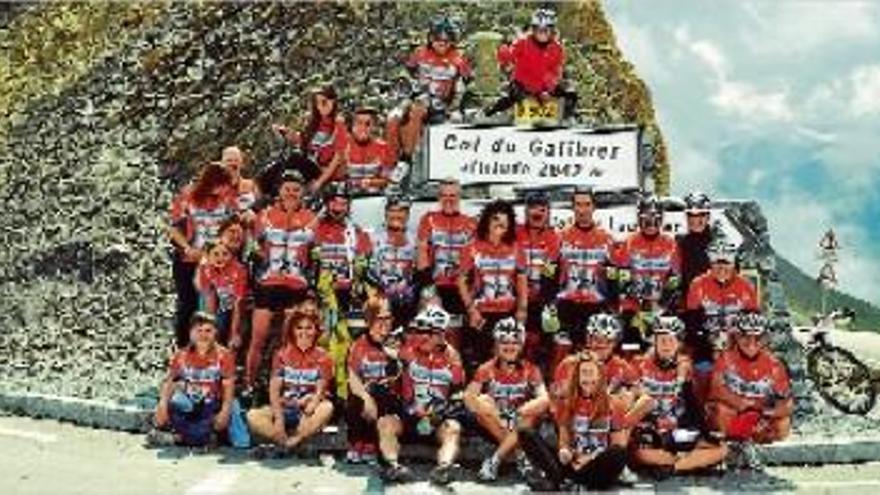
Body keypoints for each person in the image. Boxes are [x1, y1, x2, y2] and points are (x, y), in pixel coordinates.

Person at [244, 169, 316, 391]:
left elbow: (316, 255)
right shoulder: (264, 215)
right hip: (268, 284)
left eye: (296, 189)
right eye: (287, 189)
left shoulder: (312, 218)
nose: (292, 193)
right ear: (279, 191)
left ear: (303, 192)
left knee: (287, 343)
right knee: (258, 340)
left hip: (296, 286)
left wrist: (312, 288)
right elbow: (250, 248)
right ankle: (249, 385)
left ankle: (283, 387)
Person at [377, 305, 465, 486]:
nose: (424, 336)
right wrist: (400, 334)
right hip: (409, 415)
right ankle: (393, 466)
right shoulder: (407, 349)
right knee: (385, 422)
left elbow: (459, 393)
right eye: (421, 331)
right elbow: (384, 342)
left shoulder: (453, 357)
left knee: (453, 427)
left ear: (442, 334)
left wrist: (441, 410)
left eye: (431, 332)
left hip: (436, 418)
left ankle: (444, 468)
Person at [629, 316, 727, 478]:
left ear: (679, 343)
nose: (666, 344)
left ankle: (673, 467)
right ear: (654, 341)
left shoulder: (685, 364)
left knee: (722, 450)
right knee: (640, 454)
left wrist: (705, 432)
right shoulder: (639, 363)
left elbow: (691, 397)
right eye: (662, 340)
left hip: (676, 429)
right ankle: (691, 463)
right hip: (650, 430)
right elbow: (632, 401)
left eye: (671, 340)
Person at [518, 353, 628, 491]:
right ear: (577, 377)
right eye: (584, 372)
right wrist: (565, 452)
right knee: (525, 432)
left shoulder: (614, 403)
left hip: (596, 465)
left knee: (619, 453)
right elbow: (564, 441)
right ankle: (562, 480)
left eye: (591, 372)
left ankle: (562, 482)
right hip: (573, 463)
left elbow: (619, 444)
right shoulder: (566, 403)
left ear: (599, 375)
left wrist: (590, 458)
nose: (588, 376)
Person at [464, 318, 548, 482]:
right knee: (483, 400)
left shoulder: (531, 369)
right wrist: (492, 411)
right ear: (496, 344)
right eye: (504, 342)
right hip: (495, 421)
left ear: (521, 345)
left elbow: (544, 399)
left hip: (519, 420)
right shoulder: (486, 368)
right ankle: (521, 457)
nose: (509, 347)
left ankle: (495, 460)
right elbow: (469, 397)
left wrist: (520, 412)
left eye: (514, 342)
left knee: (530, 415)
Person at [168, 162, 237, 347]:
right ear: (212, 182)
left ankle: (213, 347)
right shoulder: (187, 195)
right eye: (223, 184)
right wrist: (187, 248)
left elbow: (232, 227)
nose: (226, 189)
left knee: (218, 305)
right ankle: (182, 346)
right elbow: (172, 228)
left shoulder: (227, 200)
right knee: (187, 303)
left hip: (216, 260)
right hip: (189, 259)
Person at [246, 311, 334, 455]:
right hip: (285, 407)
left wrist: (308, 411)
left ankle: (295, 440)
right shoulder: (281, 355)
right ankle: (288, 442)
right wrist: (279, 418)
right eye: (299, 328)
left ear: (316, 330)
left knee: (327, 408)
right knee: (252, 415)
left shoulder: (324, 357)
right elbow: (274, 390)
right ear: (292, 330)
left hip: (308, 410)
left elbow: (320, 392)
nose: (304, 332)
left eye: (309, 328)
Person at [386, 15, 472, 162]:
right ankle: (391, 162)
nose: (442, 43)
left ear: (452, 41)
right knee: (393, 118)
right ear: (431, 38)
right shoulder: (420, 53)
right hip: (417, 96)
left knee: (417, 110)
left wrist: (457, 106)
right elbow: (406, 72)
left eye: (446, 40)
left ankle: (406, 158)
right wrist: (405, 83)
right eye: (438, 39)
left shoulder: (459, 58)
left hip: (441, 103)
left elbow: (468, 83)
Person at [684, 239, 759, 404]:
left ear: (734, 264)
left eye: (727, 264)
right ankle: (701, 410)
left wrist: (735, 343)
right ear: (710, 263)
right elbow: (691, 324)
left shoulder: (746, 286)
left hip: (736, 344)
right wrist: (709, 343)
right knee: (702, 372)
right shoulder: (698, 284)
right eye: (717, 263)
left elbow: (754, 325)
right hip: (706, 344)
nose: (722, 268)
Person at [457, 199, 528, 373]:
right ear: (486, 220)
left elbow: (522, 280)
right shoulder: (471, 247)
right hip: (481, 313)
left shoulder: (516, 249)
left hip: (507, 312)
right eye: (495, 219)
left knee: (506, 359)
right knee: (479, 359)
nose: (499, 224)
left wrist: (522, 309)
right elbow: (461, 281)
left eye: (505, 221)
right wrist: (471, 310)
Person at [148, 312, 235, 447]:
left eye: (208, 331)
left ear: (215, 332)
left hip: (211, 404)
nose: (203, 335)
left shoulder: (224, 355)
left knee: (207, 427)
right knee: (174, 405)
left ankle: (176, 438)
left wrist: (225, 411)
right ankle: (195, 436)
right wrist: (162, 405)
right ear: (191, 333)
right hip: (188, 402)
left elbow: (228, 385)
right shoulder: (181, 355)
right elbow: (170, 381)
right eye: (198, 330)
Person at [552, 186, 617, 371]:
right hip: (566, 306)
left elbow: (613, 276)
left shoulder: (606, 239)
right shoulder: (560, 237)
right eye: (578, 205)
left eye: (587, 204)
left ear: (594, 207)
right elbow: (549, 273)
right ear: (572, 207)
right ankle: (557, 395)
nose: (582, 210)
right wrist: (548, 304)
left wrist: (614, 306)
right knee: (561, 352)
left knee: (593, 360)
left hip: (595, 307)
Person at [709, 313, 792, 444]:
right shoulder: (724, 358)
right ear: (736, 336)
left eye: (758, 338)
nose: (751, 342)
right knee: (720, 411)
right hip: (735, 411)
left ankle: (754, 441)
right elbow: (716, 390)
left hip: (761, 414)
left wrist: (767, 413)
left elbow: (787, 403)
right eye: (745, 336)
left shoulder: (775, 364)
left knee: (783, 424)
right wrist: (740, 402)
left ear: (765, 339)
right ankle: (732, 441)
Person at [484, 8, 577, 119]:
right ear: (533, 30)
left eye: (545, 30)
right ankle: (490, 113)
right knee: (513, 97)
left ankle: (567, 117)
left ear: (551, 31)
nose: (542, 34)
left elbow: (555, 71)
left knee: (571, 94)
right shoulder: (522, 43)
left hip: (545, 86)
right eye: (539, 30)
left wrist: (547, 90)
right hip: (522, 84)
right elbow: (509, 55)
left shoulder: (557, 48)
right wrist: (503, 53)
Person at [416, 178, 477, 346]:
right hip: (435, 286)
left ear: (459, 197)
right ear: (438, 197)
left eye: (453, 195)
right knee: (430, 336)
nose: (448, 199)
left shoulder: (471, 222)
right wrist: (429, 291)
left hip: (459, 289)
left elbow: (475, 261)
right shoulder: (428, 219)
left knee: (453, 338)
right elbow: (422, 253)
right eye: (444, 195)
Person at [617, 195, 681, 352]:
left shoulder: (671, 243)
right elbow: (622, 275)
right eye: (646, 219)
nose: (651, 224)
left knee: (660, 350)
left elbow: (675, 278)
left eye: (655, 219)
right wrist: (630, 294)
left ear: (662, 219)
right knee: (630, 348)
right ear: (639, 219)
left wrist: (662, 304)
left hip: (661, 306)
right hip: (633, 306)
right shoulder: (630, 241)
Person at [345, 297, 401, 463]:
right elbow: (353, 379)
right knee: (358, 396)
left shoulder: (398, 342)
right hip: (366, 400)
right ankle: (357, 442)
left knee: (381, 392)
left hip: (390, 402)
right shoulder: (358, 344)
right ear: (369, 320)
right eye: (379, 318)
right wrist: (366, 396)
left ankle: (372, 442)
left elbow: (405, 374)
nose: (384, 323)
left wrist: (396, 361)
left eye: (388, 317)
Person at [515, 190, 561, 368]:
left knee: (546, 328)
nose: (537, 213)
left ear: (548, 213)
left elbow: (551, 274)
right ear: (526, 211)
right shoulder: (515, 233)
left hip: (541, 296)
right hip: (516, 296)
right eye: (533, 209)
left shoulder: (553, 238)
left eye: (542, 210)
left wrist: (546, 304)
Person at [273, 84, 349, 192]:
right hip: (312, 167)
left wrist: (319, 182)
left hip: (328, 173)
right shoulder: (314, 121)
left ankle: (280, 190)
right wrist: (288, 134)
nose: (321, 107)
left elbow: (337, 160)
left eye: (324, 102)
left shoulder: (339, 124)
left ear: (333, 101)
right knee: (279, 165)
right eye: (317, 103)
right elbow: (303, 142)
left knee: (295, 158)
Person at [367, 195, 418, 329]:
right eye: (392, 210)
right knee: (377, 304)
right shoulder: (372, 238)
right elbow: (366, 272)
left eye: (401, 211)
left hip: (409, 296)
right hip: (381, 293)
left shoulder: (417, 239)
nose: (396, 215)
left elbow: (422, 272)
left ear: (408, 214)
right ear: (385, 213)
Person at [194, 241, 249, 348]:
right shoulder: (205, 268)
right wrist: (210, 328)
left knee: (235, 340)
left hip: (241, 305)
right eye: (215, 254)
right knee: (214, 328)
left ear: (232, 256)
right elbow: (210, 299)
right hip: (222, 302)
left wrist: (234, 333)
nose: (220, 258)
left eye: (225, 254)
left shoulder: (239, 270)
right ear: (208, 256)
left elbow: (239, 304)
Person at [336, 107, 395, 195]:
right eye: (359, 123)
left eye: (368, 124)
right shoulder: (343, 146)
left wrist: (369, 182)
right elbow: (337, 178)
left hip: (375, 198)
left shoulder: (383, 147)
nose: (363, 128)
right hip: (347, 199)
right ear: (352, 126)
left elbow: (388, 180)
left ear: (374, 127)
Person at [676, 191, 713, 296]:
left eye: (701, 214)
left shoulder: (720, 244)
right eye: (691, 215)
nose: (696, 219)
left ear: (708, 216)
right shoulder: (679, 244)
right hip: (687, 304)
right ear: (686, 217)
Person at [220, 146, 261, 222]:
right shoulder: (215, 187)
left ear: (242, 163)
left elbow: (261, 211)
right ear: (222, 164)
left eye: (236, 160)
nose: (233, 163)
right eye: (229, 160)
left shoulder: (251, 185)